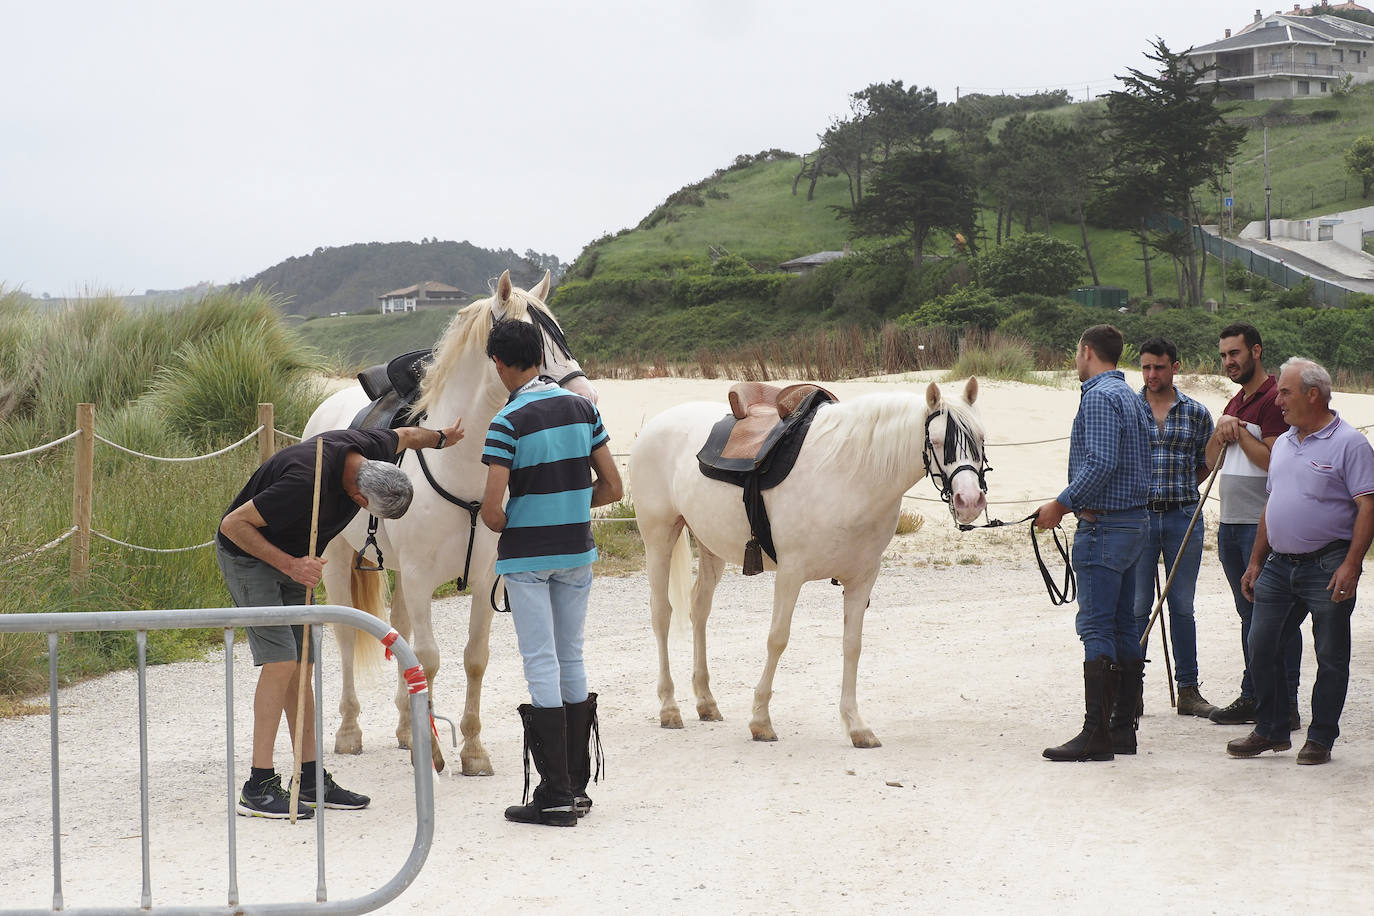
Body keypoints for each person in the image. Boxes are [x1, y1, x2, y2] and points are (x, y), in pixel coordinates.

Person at [217, 416, 464, 819]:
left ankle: (310, 777)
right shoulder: (302, 482)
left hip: (298, 556)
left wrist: (441, 438)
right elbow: (233, 525)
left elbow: (406, 435)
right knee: (281, 663)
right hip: (251, 555)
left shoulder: (373, 448)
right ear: (360, 499)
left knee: (303, 667)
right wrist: (290, 565)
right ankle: (257, 786)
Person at [480, 319, 622, 826]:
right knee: (571, 657)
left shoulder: (506, 422)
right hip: (576, 552)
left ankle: (555, 794)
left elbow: (493, 511)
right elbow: (612, 487)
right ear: (540, 355)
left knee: (539, 661)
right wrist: (570, 507)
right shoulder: (583, 408)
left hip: (528, 559)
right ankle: (577, 789)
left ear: (499, 363)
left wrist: (518, 519)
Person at [1227, 358, 1374, 764]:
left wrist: (1352, 564)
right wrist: (1256, 560)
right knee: (1261, 646)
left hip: (1328, 564)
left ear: (1313, 394)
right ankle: (1271, 729)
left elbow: (1368, 507)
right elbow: (1273, 504)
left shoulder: (1350, 443)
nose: (1278, 400)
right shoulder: (1286, 443)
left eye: (1286, 392)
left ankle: (1321, 738)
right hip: (1277, 564)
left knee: (1330, 655)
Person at [1035, 324, 1153, 762]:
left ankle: (1097, 733)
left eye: (1076, 352)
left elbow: (1101, 462)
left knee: (1097, 628)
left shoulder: (1101, 397)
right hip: (1132, 523)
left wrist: (1061, 505)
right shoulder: (1131, 398)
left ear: (1087, 351)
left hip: (1105, 527)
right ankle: (1122, 729)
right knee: (1124, 626)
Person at [1204, 322, 1301, 729]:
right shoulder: (1235, 401)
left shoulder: (1275, 400)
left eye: (1235, 354)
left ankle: (1283, 704)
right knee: (1249, 615)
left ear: (1256, 351)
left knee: (1274, 617)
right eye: (1224, 355)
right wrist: (1222, 429)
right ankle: (1257, 695)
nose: (1229, 361)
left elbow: (1273, 461)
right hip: (1230, 523)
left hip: (1262, 528)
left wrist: (1239, 433)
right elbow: (1211, 461)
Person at [1130, 337, 1217, 718]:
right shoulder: (1129, 408)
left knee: (1181, 606)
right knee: (1136, 608)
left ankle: (1188, 690)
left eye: (1159, 367)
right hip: (1139, 517)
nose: (1152, 375)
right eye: (1146, 367)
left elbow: (1206, 462)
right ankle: (1129, 690)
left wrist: (1180, 489)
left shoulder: (1197, 413)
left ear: (1175, 367)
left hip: (1184, 516)